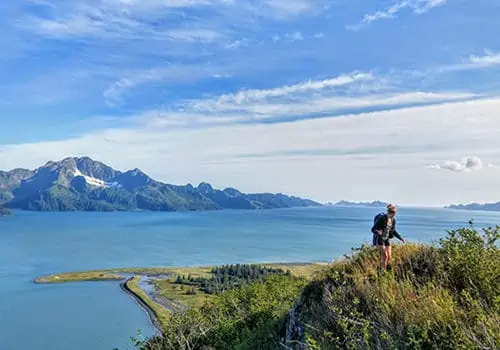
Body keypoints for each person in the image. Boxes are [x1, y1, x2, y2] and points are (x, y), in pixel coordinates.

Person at [371, 204, 405, 270]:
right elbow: (373, 229)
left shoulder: (393, 220)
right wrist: (378, 232)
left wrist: (400, 238)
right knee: (385, 256)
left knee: (389, 257)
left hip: (387, 240)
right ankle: (383, 272)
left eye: (394, 215)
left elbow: (393, 231)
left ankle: (381, 268)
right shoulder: (382, 219)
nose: (392, 217)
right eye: (392, 215)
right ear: (389, 213)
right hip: (380, 240)